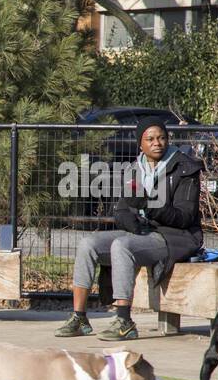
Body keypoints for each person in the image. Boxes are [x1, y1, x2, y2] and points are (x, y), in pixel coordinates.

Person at [56, 115, 203, 341]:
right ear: (141, 144)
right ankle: (79, 318)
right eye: (150, 139)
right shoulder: (135, 168)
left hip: (174, 236)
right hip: (143, 232)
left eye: (162, 137)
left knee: (122, 245)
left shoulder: (185, 168)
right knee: (88, 244)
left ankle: (124, 321)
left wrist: (149, 206)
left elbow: (185, 217)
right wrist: (130, 221)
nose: (157, 143)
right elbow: (122, 210)